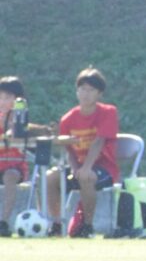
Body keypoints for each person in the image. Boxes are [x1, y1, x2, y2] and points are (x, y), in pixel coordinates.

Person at [44, 68, 120, 238]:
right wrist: (74, 168)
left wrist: (86, 167)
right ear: (77, 91)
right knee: (50, 177)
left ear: (99, 93)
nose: (86, 94)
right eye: (82, 89)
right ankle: (57, 224)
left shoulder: (108, 112)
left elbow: (99, 142)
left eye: (91, 90)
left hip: (104, 169)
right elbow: (68, 148)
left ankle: (87, 226)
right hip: (80, 167)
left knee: (87, 177)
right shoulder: (68, 119)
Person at [0, 76, 48, 237]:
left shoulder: (21, 120)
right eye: (0, 97)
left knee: (10, 176)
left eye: (7, 97)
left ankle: (3, 222)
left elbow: (21, 134)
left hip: (15, 168)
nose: (2, 102)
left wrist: (13, 126)